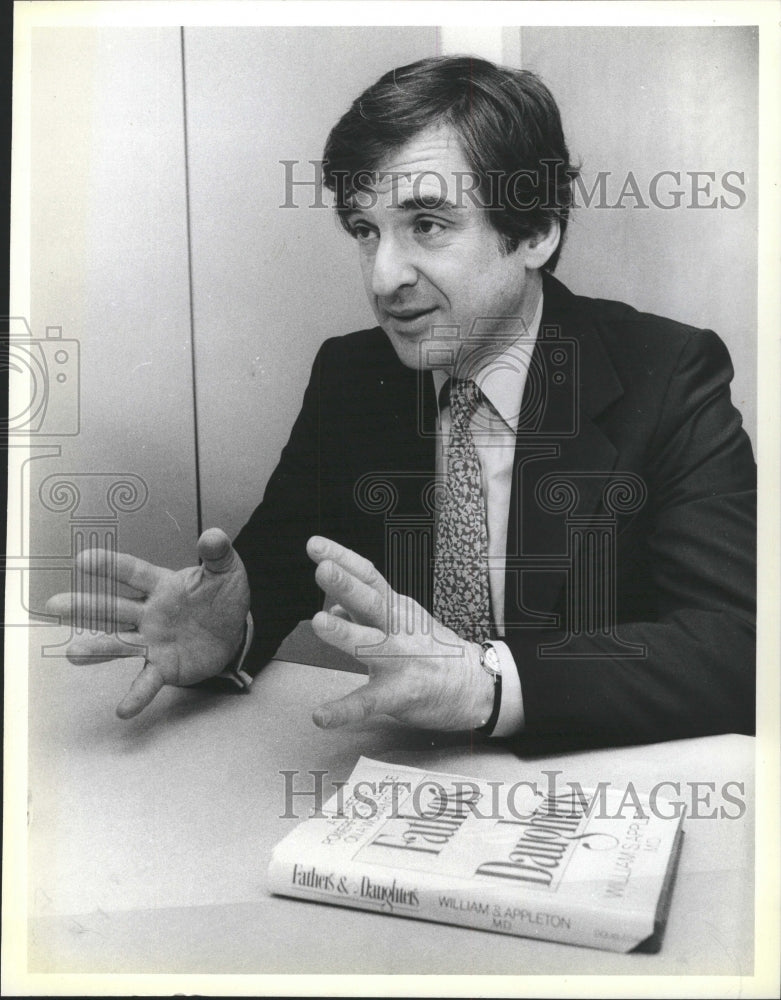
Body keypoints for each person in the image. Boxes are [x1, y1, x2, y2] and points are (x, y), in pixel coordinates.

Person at [47, 56, 756, 749]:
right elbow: (272, 569)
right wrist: (231, 630)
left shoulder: (665, 375)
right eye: (365, 231)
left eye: (426, 224)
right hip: (406, 786)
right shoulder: (353, 376)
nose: (383, 279)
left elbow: (738, 645)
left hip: (597, 789)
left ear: (535, 231)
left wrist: (487, 687)